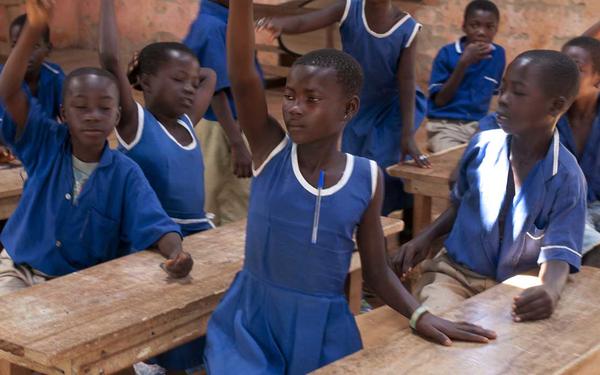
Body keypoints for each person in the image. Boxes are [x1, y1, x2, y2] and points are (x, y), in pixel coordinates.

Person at [204, 2, 497, 373]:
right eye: (291, 96)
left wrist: (419, 314)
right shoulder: (271, 152)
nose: (294, 107)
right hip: (254, 319)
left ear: (348, 109)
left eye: (311, 99)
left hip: (323, 326)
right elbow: (244, 76)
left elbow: (376, 271)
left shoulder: (366, 177)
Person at [0, 0, 192, 296]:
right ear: (63, 114)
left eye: (104, 108)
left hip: (76, 283)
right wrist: (33, 28)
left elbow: (157, 225)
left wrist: (177, 253)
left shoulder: (125, 174)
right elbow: (9, 90)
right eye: (81, 107)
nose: (92, 115)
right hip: (20, 267)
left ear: (116, 116)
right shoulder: (45, 145)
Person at [395, 50, 586, 321]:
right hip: (455, 274)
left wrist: (550, 291)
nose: (503, 99)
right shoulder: (482, 146)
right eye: (503, 88)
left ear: (555, 107)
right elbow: (461, 203)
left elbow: (560, 251)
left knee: (511, 348)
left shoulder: (566, 178)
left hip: (516, 286)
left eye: (518, 93)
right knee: (439, 323)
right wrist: (425, 237)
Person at [98, 0, 216, 372]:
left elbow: (211, 76)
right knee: (167, 319)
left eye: (191, 83)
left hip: (199, 232)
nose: (189, 89)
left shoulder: (186, 122)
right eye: (178, 80)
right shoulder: (136, 123)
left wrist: (191, 72)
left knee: (203, 317)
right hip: (151, 239)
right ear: (145, 82)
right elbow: (108, 58)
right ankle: (154, 365)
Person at [257, 0, 429, 215]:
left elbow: (406, 82)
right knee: (355, 166)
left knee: (382, 165)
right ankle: (367, 221)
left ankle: (389, 219)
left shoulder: (406, 28)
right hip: (360, 106)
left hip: (393, 109)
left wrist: (407, 135)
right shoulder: (349, 8)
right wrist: (280, 24)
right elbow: (304, 21)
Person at [479, 36, 600, 265]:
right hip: (559, 210)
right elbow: (492, 125)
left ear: (597, 78)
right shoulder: (547, 110)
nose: (567, 76)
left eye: (577, 69)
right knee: (574, 232)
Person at [182, 0, 254, 226]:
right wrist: (236, 143)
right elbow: (216, 91)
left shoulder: (224, 18)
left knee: (225, 193)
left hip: (227, 124)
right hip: (222, 126)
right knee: (228, 198)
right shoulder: (212, 26)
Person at [426, 0, 505, 152]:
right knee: (455, 162)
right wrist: (463, 64)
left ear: (496, 29)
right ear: (464, 26)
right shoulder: (446, 54)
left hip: (478, 128)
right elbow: (440, 101)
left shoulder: (498, 55)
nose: (481, 32)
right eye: (475, 25)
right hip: (445, 126)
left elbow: (494, 97)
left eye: (489, 27)